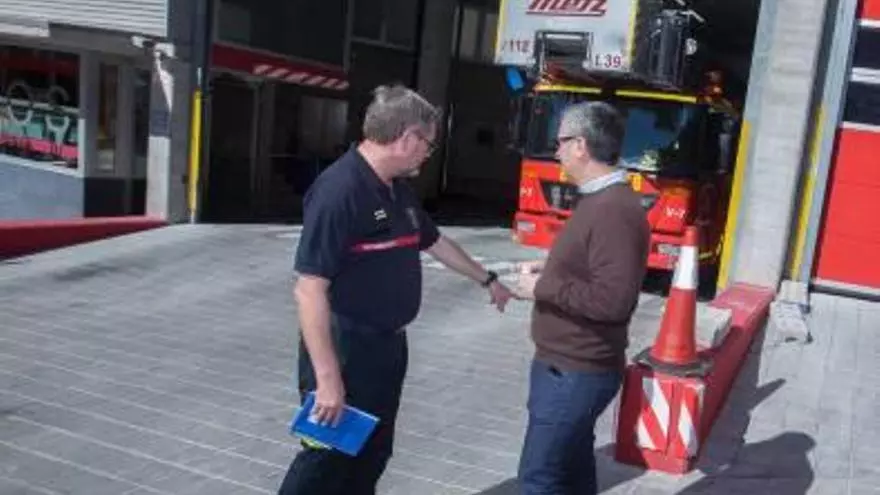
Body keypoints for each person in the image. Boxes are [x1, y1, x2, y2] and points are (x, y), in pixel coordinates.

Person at [278, 84, 516, 495]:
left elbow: (435, 242)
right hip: (346, 349)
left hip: (387, 350)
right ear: (407, 138)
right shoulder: (339, 191)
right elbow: (309, 290)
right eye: (428, 144)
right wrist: (328, 380)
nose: (428, 153)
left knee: (372, 453)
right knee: (325, 458)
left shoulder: (396, 189)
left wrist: (488, 280)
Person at [511, 101, 650, 495]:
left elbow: (613, 301)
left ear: (581, 146)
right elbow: (594, 266)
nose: (556, 152)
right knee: (571, 472)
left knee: (539, 478)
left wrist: (543, 288)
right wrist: (551, 268)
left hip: (575, 370)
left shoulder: (614, 210)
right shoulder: (599, 201)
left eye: (560, 142)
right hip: (567, 367)